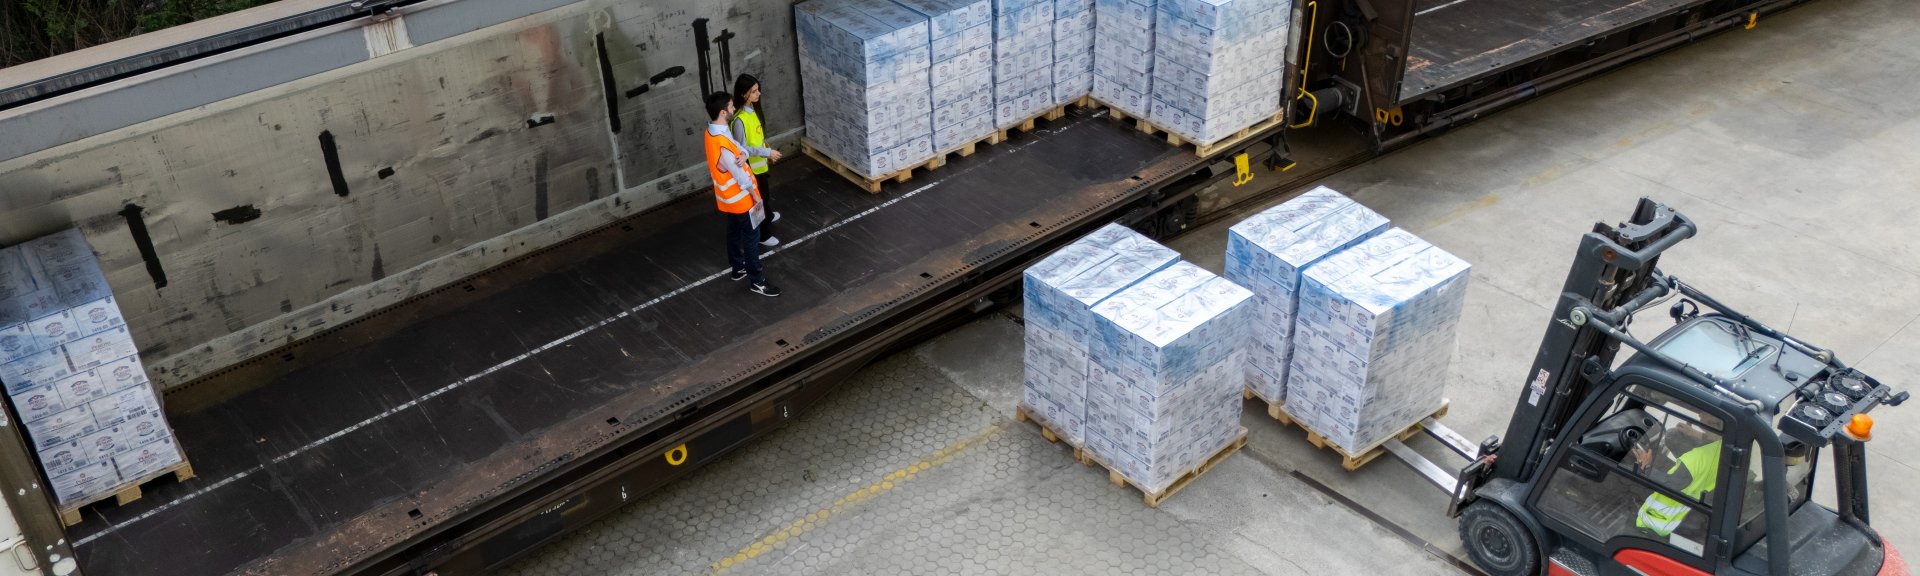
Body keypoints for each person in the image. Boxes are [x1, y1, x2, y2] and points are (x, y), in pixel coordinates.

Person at [704, 91, 783, 297]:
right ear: (723, 112)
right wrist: (755, 195)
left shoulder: (714, 133)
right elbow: (738, 172)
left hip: (729, 198)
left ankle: (738, 268)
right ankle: (757, 281)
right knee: (751, 237)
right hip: (741, 197)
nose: (734, 108)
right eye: (731, 106)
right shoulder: (722, 141)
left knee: (733, 231)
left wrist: (745, 153)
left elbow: (740, 149)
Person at [1633, 424, 1721, 540]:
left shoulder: (1694, 459)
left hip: (1656, 521)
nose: (1700, 417)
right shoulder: (1720, 449)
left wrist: (1646, 466)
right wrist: (1694, 433)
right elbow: (1715, 437)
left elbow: (1671, 484)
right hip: (1684, 511)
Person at [729, 74, 781, 247]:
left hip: (760, 165)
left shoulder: (751, 110)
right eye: (754, 91)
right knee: (759, 200)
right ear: (743, 94)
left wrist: (766, 149)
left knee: (765, 196)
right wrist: (767, 152)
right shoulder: (739, 120)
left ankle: (769, 215)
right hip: (752, 168)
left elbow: (756, 138)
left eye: (758, 90)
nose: (758, 93)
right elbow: (742, 149)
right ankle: (763, 235)